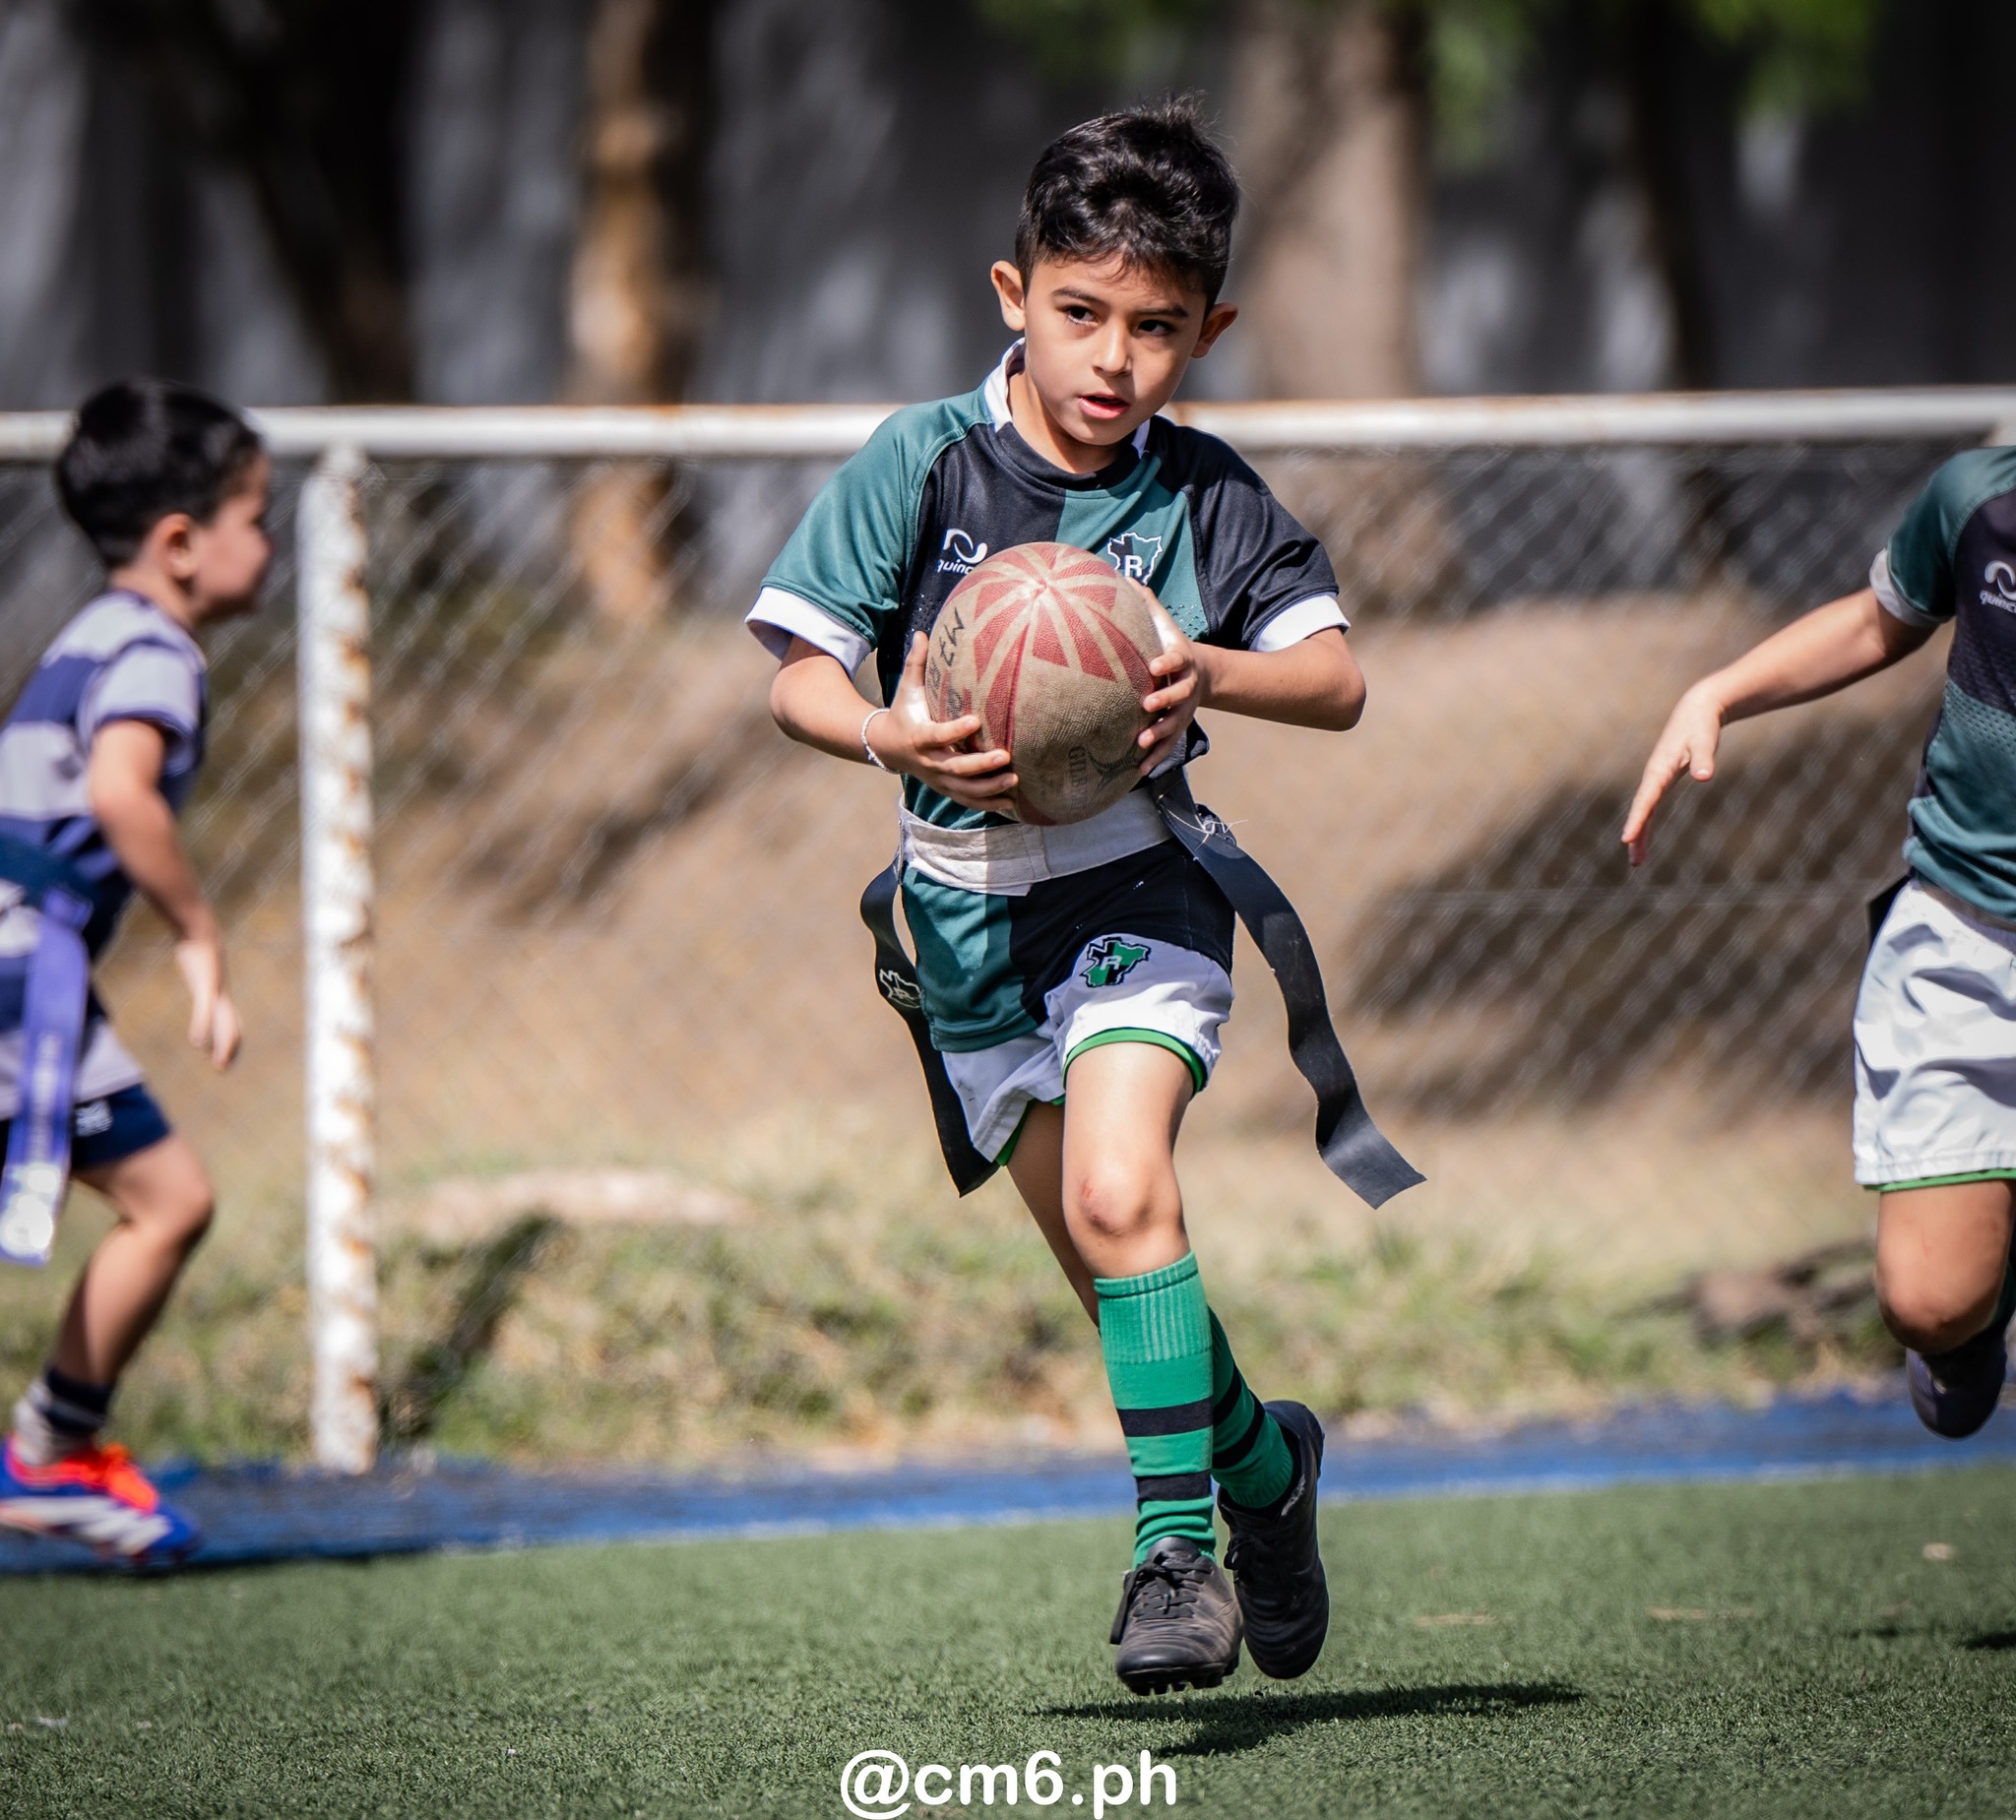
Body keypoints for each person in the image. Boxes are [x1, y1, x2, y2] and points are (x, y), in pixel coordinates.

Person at [750, 100, 1382, 1694]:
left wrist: (1208, 664)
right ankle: (1263, 1473)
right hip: (955, 918)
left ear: (1207, 328)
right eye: (1079, 313)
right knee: (1120, 1266)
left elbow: (1335, 678)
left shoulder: (1203, 493)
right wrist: (887, 726)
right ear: (1010, 292)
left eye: (1156, 328)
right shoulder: (921, 459)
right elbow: (796, 676)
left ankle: (1173, 1553)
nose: (1112, 359)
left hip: (1135, 891)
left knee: (1121, 1197)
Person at [1624, 442, 2016, 1440]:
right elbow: (1876, 619)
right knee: (1927, 1302)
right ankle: (1974, 1315)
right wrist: (1712, 692)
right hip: (1968, 928)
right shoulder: (1977, 498)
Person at [0, 379, 270, 1564]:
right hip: (18, 972)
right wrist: (201, 935)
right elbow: (118, 792)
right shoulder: (155, 650)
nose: (267, 543)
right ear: (179, 541)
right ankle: (53, 1451)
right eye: (254, 516)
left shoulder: (89, 632)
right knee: (172, 1199)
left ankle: (54, 1448)